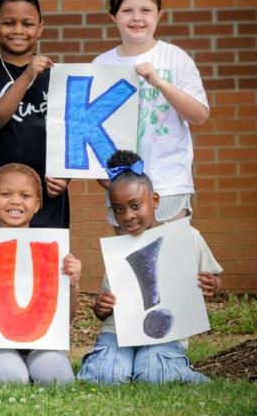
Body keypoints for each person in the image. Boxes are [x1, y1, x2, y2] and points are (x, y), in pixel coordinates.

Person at [77, 150, 222, 384]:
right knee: (106, 375)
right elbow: (103, 311)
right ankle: (110, 364)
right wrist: (101, 307)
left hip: (165, 334)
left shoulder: (186, 237)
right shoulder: (120, 249)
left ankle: (164, 366)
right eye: (119, 209)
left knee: (155, 374)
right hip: (118, 333)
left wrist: (212, 284)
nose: (128, 216)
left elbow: (214, 280)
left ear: (154, 201)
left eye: (135, 205)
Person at [94, 0, 209, 230]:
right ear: (113, 16)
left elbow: (199, 115)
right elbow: (89, 128)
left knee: (171, 263)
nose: (137, 18)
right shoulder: (101, 65)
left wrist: (160, 82)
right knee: (133, 266)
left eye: (146, 10)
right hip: (123, 187)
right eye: (127, 10)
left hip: (168, 183)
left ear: (159, 14)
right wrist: (105, 177)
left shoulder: (174, 58)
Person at [0, 163, 81, 385]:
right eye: (5, 194)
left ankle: (31, 368)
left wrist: (73, 285)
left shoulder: (53, 250)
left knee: (60, 380)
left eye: (25, 195)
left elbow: (67, 318)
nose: (15, 201)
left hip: (42, 342)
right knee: (13, 378)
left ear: (37, 204)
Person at [0, 0, 70, 229]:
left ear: (40, 28)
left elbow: (73, 135)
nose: (18, 30)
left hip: (47, 189)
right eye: (8, 23)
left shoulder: (57, 76)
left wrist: (66, 176)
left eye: (27, 24)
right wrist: (27, 75)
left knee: (46, 264)